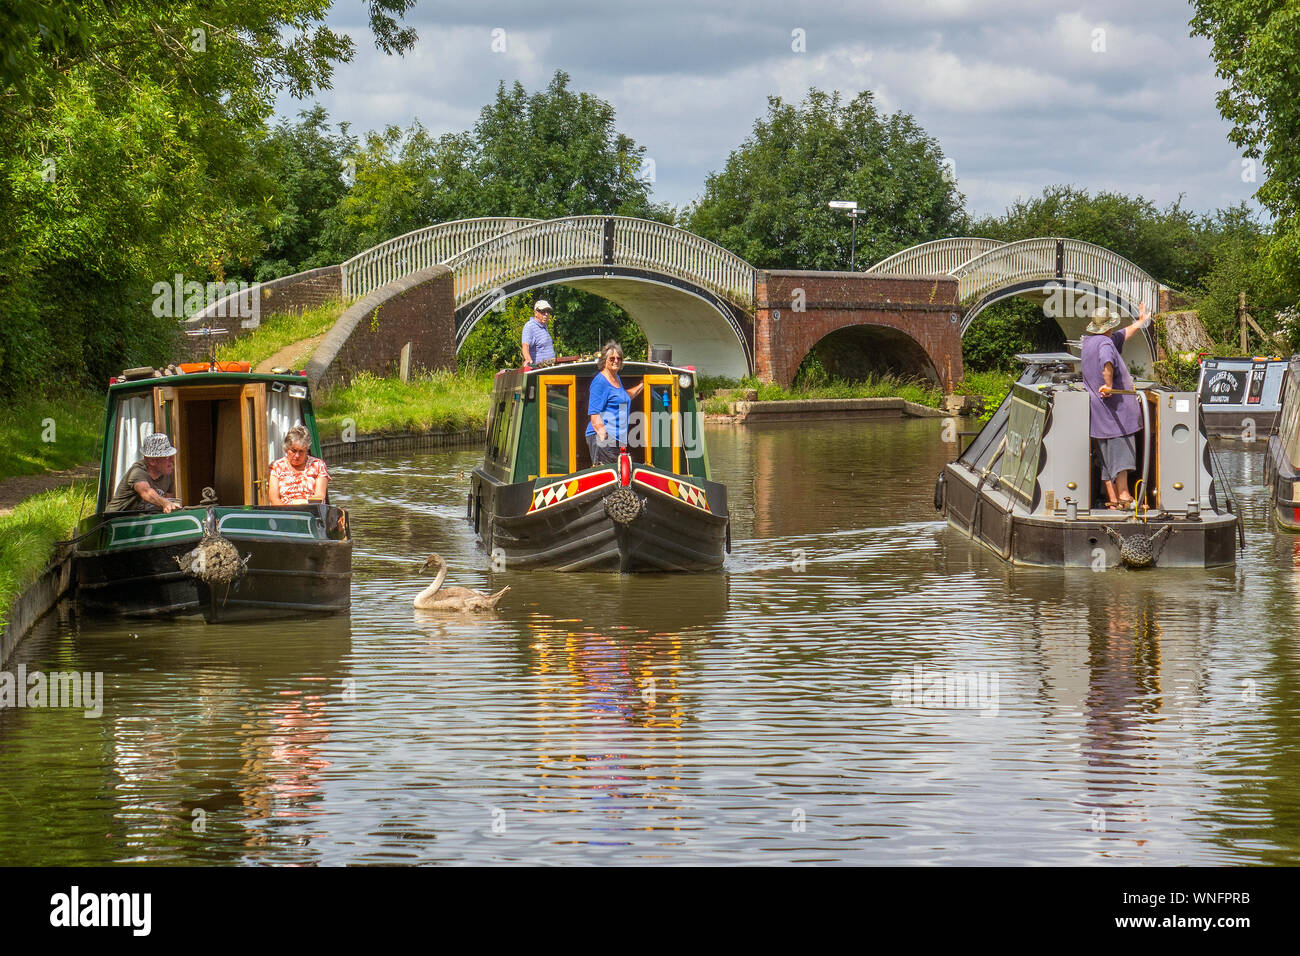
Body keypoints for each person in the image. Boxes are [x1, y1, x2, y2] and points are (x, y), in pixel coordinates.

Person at [1082, 303, 1152, 509]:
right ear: (1108, 327)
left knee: (1105, 455)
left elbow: (1123, 334)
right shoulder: (1105, 345)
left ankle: (1112, 499)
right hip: (1116, 412)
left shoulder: (1089, 342)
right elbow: (1107, 364)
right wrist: (1110, 385)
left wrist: (1140, 322)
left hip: (1098, 413)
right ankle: (1125, 497)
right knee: (1122, 453)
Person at [586, 342, 644, 465]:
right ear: (604, 361)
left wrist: (643, 385)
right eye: (612, 358)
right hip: (604, 436)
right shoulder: (600, 382)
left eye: (619, 358)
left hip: (616, 438)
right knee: (610, 474)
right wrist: (603, 437)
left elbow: (624, 397)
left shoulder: (616, 378)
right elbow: (594, 414)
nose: (616, 361)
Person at [106, 433, 181, 513]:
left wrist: (169, 506)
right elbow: (146, 492)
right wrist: (165, 503)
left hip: (144, 520)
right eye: (167, 457)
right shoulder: (137, 472)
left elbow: (167, 501)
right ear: (152, 461)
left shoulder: (167, 474)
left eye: (172, 456)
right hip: (115, 520)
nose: (172, 460)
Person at [270, 424, 330, 505]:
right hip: (285, 511)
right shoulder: (278, 466)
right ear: (286, 449)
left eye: (301, 451)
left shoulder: (318, 465)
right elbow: (274, 498)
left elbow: (320, 496)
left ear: (307, 450)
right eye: (293, 451)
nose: (297, 455)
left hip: (310, 510)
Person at [521, 299, 555, 366]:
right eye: (543, 311)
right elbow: (525, 345)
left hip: (549, 367)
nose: (546, 314)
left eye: (548, 311)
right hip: (540, 369)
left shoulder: (544, 326)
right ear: (535, 312)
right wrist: (528, 360)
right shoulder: (529, 326)